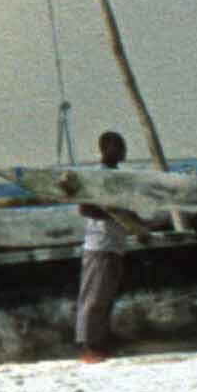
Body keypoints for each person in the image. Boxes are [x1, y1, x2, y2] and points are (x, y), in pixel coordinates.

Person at [74, 130, 136, 361]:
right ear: (105, 149)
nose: (123, 152)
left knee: (106, 297)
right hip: (99, 244)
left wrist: (135, 224)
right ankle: (87, 346)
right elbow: (85, 208)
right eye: (119, 147)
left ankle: (101, 342)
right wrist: (116, 215)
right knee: (94, 297)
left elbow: (128, 211)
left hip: (115, 245)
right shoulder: (96, 176)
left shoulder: (119, 178)